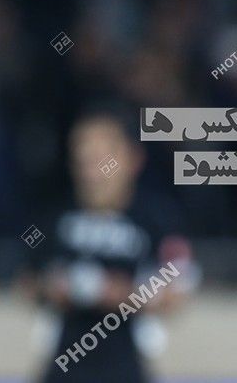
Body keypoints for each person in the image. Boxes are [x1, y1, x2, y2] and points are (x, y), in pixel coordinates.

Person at [19, 105, 199, 383]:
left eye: (102, 157)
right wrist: (54, 288)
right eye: (83, 158)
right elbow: (26, 280)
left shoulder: (157, 219)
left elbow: (179, 289)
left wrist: (117, 293)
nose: (92, 170)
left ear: (132, 158)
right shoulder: (54, 216)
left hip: (126, 369)